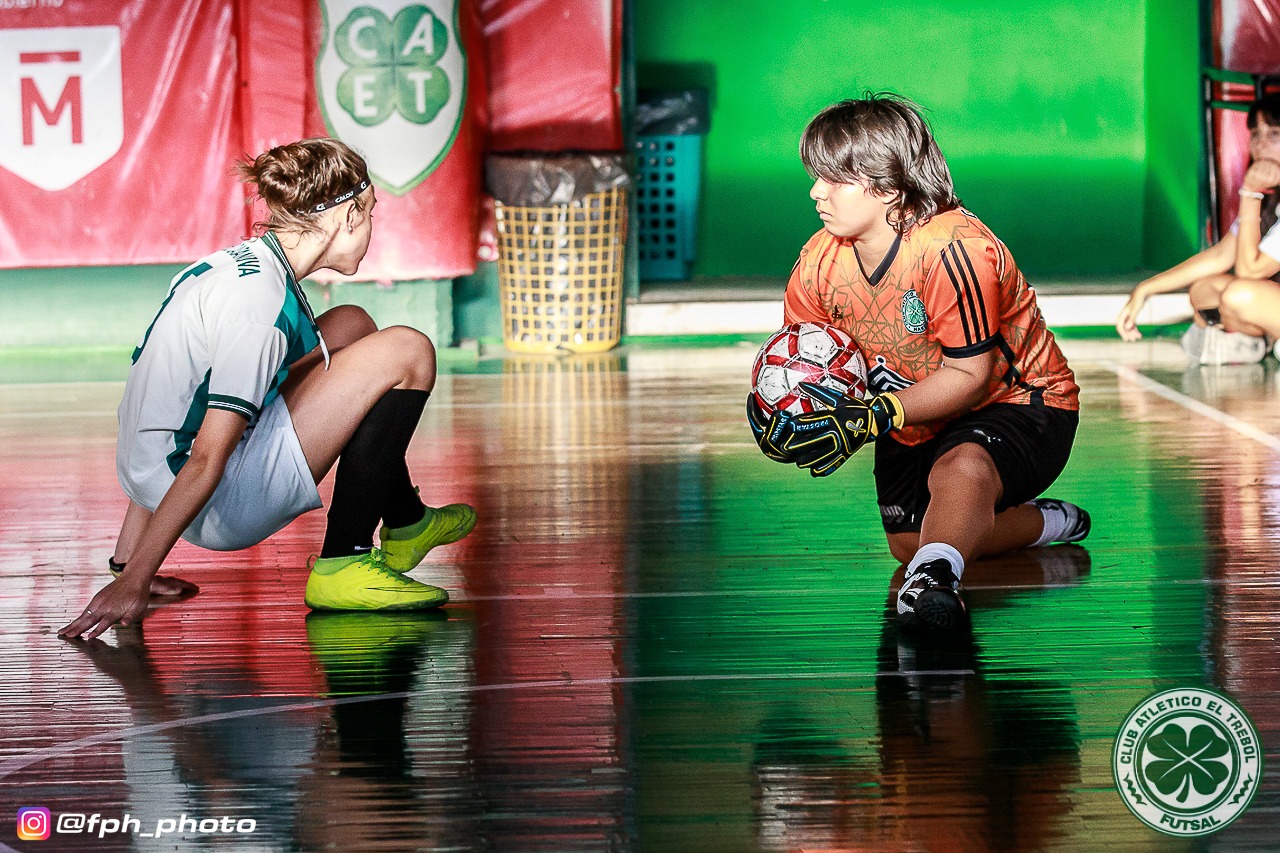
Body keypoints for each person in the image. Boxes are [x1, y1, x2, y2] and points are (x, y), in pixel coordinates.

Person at [59, 138, 476, 640]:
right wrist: (137, 580)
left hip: (148, 473)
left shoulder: (238, 264)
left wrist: (126, 562)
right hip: (217, 504)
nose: (370, 226)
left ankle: (406, 521)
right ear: (347, 217)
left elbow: (171, 407)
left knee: (351, 325)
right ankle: (343, 564)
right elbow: (205, 456)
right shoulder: (259, 309)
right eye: (369, 214)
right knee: (408, 350)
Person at [747, 94, 1089, 632]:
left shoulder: (952, 248)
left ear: (888, 188)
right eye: (816, 176)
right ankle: (1043, 523)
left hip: (1022, 401)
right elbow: (804, 362)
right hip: (914, 413)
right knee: (911, 541)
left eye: (835, 179)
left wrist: (873, 417)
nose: (816, 191)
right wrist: (789, 415)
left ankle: (934, 583)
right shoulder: (817, 261)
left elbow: (970, 377)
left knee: (962, 468)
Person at [1115, 94, 1280, 363]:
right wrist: (1146, 289)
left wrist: (1250, 193)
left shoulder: (1256, 193)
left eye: (1274, 134)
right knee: (1204, 290)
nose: (1260, 144)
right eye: (1255, 134)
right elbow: (1221, 255)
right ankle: (1254, 340)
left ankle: (1237, 335)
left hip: (1255, 294)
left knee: (1239, 295)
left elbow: (1249, 271)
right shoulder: (1269, 197)